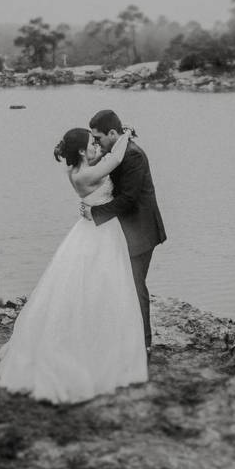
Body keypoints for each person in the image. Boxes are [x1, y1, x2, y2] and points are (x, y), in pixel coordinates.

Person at [0, 127, 148, 404]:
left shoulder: (76, 171)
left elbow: (103, 163)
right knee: (103, 284)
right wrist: (125, 135)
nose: (96, 147)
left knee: (90, 285)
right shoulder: (87, 173)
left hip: (93, 227)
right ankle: (95, 351)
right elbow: (113, 161)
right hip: (100, 233)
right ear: (80, 150)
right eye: (92, 143)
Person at [80, 110, 166, 357]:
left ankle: (144, 344)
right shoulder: (118, 151)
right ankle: (120, 336)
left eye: (99, 138)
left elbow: (128, 199)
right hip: (123, 229)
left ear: (113, 133)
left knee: (135, 286)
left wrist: (94, 214)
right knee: (118, 284)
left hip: (141, 231)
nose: (97, 143)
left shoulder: (133, 156)